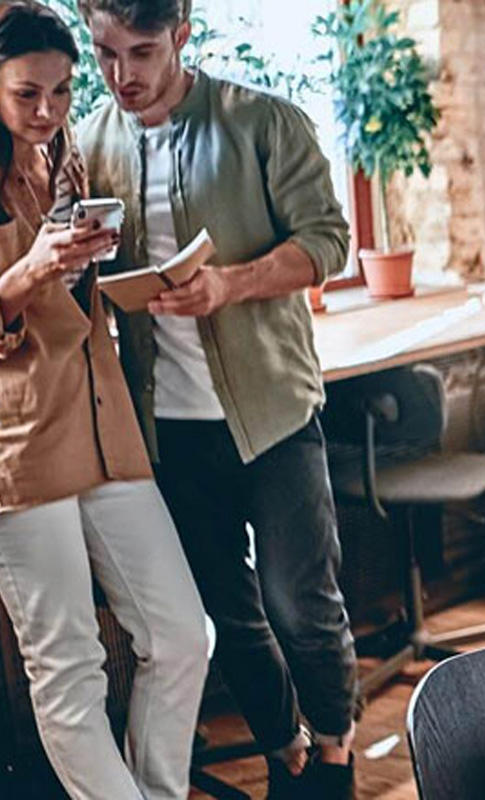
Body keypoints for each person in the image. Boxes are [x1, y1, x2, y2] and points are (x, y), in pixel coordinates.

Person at [75, 0, 358, 795]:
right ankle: (286, 747)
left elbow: (329, 242)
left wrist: (229, 285)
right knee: (225, 612)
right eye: (103, 52)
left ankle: (334, 747)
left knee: (299, 603)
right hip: (165, 431)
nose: (121, 75)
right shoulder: (90, 143)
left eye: (140, 51)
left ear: (182, 36)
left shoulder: (264, 122)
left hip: (272, 412)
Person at [0, 3, 208, 799]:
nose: (48, 111)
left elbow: (70, 299)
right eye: (27, 95)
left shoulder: (67, 156)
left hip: (101, 422)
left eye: (61, 90)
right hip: (19, 445)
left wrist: (88, 260)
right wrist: (30, 270)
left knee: (182, 635)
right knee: (71, 671)